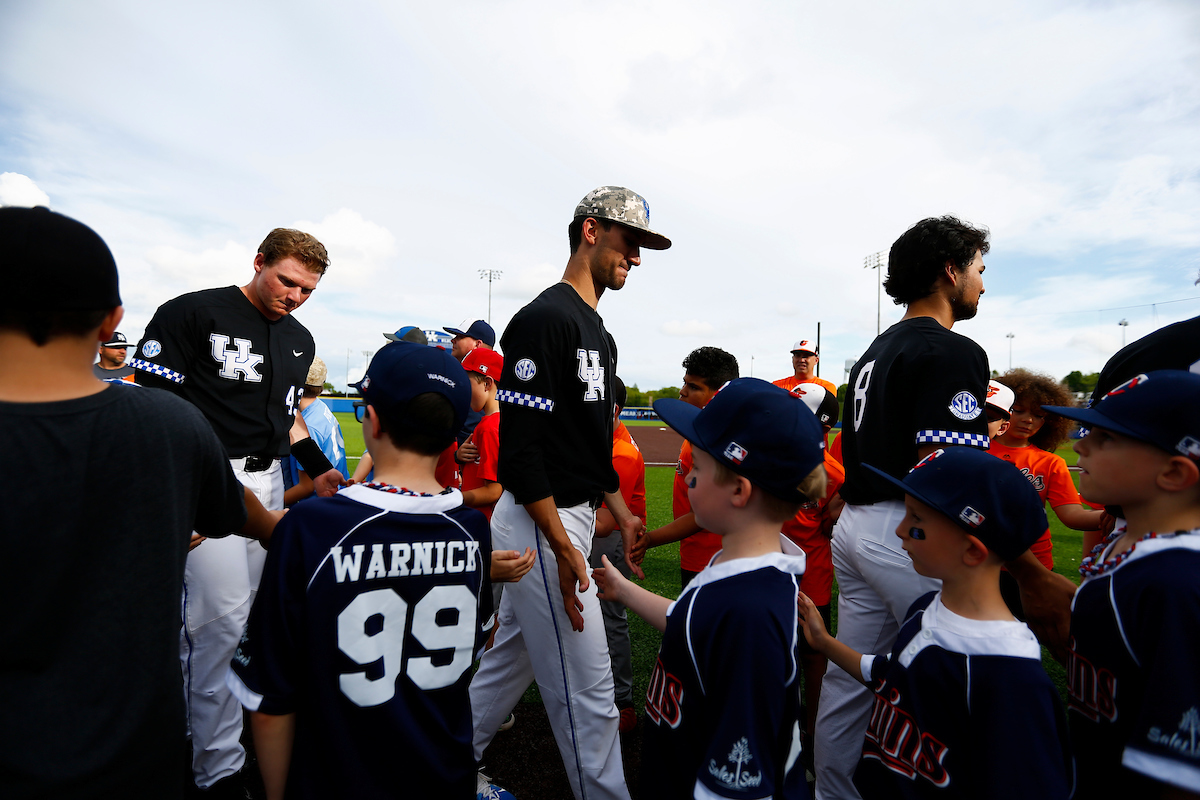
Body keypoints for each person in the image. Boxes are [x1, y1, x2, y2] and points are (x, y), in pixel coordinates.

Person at [0, 207, 282, 799]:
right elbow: (247, 517)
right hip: (128, 753)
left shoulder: (172, 425)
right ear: (113, 320)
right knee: (219, 629)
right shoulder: (170, 427)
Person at [227, 342, 499, 800]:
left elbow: (271, 700)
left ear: (372, 420)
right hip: (442, 774)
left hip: (337, 775)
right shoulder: (471, 528)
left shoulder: (312, 526)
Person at [467, 185, 668, 800]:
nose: (635, 257)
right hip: (539, 522)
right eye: (629, 242)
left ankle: (435, 762)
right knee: (589, 690)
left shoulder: (599, 333)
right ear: (590, 230)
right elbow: (524, 453)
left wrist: (620, 514)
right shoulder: (543, 318)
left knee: (504, 668)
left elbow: (586, 449)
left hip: (568, 516)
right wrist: (560, 543)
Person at [131, 227, 347, 793]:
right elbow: (156, 410)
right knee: (219, 627)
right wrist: (178, 494)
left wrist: (318, 464)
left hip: (269, 478)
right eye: (286, 281)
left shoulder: (299, 337)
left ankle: (191, 733)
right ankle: (218, 771)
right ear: (258, 262)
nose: (295, 296)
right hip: (210, 476)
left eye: (307, 289)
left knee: (241, 623)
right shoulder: (192, 313)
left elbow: (289, 416)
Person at [815, 215, 993, 800]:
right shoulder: (951, 349)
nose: (982, 285)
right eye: (977, 270)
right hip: (906, 530)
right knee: (961, 672)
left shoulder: (875, 349)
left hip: (856, 528)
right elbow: (943, 467)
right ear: (950, 270)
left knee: (851, 682)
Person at [596, 377, 826, 800]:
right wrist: (625, 592)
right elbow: (697, 624)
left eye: (697, 470)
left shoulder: (751, 611)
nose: (687, 481)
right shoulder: (742, 568)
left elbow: (740, 781)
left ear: (739, 490)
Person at [798, 447, 1072, 799]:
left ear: (972, 550)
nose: (899, 530)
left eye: (916, 520)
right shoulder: (926, 610)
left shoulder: (1009, 675)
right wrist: (825, 643)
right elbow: (892, 677)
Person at [1045, 370, 1200, 798]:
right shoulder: (1133, 548)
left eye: (1106, 438)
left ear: (1174, 473)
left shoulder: (1176, 583)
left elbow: (1178, 773)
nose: (1080, 446)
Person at [990, 368, 1103, 614]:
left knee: (1028, 637)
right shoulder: (974, 450)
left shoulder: (1050, 463)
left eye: (1039, 414)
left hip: (1034, 566)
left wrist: (1115, 516)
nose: (1028, 419)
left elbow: (1072, 515)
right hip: (979, 564)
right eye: (1018, 410)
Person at [638, 346, 739, 587]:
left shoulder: (714, 443)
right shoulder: (699, 430)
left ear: (720, 394)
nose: (682, 392)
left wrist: (649, 539)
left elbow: (703, 515)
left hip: (714, 557)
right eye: (685, 383)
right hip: (697, 552)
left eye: (694, 387)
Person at [781, 384, 845, 754]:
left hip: (812, 577)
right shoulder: (775, 452)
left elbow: (827, 525)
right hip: (771, 570)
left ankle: (812, 732)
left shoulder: (832, 473)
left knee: (813, 655)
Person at [588, 376, 647, 733]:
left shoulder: (621, 452)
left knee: (610, 618)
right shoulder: (605, 439)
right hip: (594, 534)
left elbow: (607, 522)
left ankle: (622, 701)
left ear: (613, 409)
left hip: (607, 542)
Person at [283, 355, 349, 505]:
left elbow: (306, 486)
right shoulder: (318, 408)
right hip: (333, 500)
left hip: (316, 506)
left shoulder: (309, 425)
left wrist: (267, 508)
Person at [458, 347, 505, 518]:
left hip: (482, 522)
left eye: (466, 383)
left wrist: (452, 498)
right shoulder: (492, 423)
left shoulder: (489, 427)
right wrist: (460, 458)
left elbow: (493, 491)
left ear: (487, 383)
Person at [773, 338, 837, 395]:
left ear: (816, 360)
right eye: (797, 355)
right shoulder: (777, 386)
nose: (801, 360)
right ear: (793, 359)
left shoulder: (826, 388)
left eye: (806, 356)